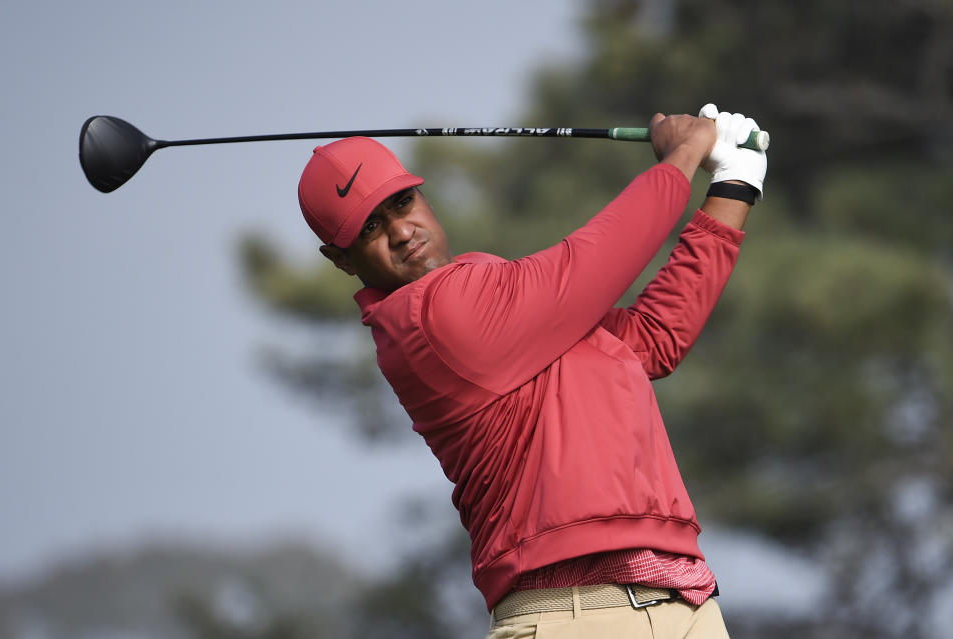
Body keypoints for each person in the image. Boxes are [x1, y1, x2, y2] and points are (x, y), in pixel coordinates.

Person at [297, 104, 768, 639]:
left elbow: (654, 339)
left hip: (685, 600)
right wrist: (683, 150)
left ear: (425, 198)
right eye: (371, 228)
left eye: (403, 203)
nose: (403, 231)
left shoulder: (508, 301)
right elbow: (597, 256)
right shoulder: (429, 317)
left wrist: (735, 183)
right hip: (569, 613)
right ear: (341, 259)